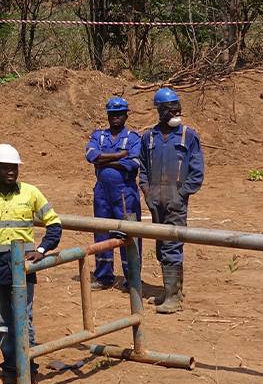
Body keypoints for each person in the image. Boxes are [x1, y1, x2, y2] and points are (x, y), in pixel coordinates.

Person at [0, 144, 62, 384]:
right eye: (4, 167)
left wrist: (41, 250)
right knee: (2, 325)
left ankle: (28, 370)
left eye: (14, 167)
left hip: (23, 270)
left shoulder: (31, 193)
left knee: (24, 322)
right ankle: (11, 370)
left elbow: (54, 224)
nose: (11, 172)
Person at [139, 88, 204, 314]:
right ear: (161, 111)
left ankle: (174, 298)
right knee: (160, 247)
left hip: (176, 200)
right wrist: (146, 191)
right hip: (155, 200)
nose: (177, 110)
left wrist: (183, 193)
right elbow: (144, 168)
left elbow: (197, 171)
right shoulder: (149, 137)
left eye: (178, 106)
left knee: (172, 246)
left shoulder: (189, 136)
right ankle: (168, 291)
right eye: (171, 108)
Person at [86, 97, 142, 290]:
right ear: (107, 116)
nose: (115, 117)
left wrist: (103, 161)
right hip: (102, 191)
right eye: (112, 114)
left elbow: (134, 162)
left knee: (129, 233)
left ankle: (132, 279)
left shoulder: (134, 138)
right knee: (102, 231)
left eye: (119, 114)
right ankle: (103, 277)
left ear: (126, 115)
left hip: (125, 192)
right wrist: (119, 155)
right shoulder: (99, 136)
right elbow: (91, 156)